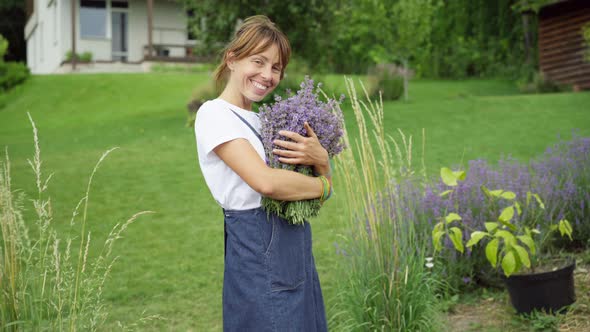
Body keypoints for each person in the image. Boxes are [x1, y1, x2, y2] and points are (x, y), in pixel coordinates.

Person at [194, 15, 331, 331]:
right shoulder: (213, 114)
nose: (267, 75)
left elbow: (306, 201)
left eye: (276, 68)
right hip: (256, 249)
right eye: (258, 61)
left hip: (294, 247)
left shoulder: (265, 120)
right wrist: (323, 183)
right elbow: (267, 182)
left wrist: (321, 159)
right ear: (233, 59)